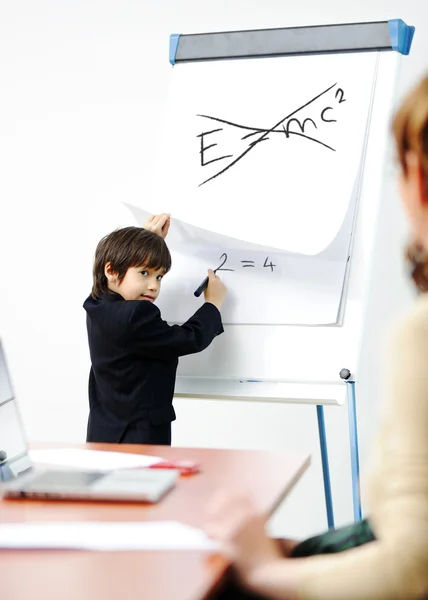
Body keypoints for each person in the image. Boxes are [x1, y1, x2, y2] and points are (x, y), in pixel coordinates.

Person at [204, 75, 428, 600]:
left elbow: (414, 565)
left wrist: (265, 568)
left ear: (419, 181)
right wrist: (307, 554)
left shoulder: (420, 335)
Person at [83, 213, 227, 445]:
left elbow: (114, 277)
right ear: (111, 271)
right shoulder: (136, 314)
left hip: (104, 433)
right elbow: (188, 339)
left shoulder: (96, 305)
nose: (153, 286)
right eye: (144, 273)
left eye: (159, 276)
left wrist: (145, 242)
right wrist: (213, 304)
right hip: (139, 438)